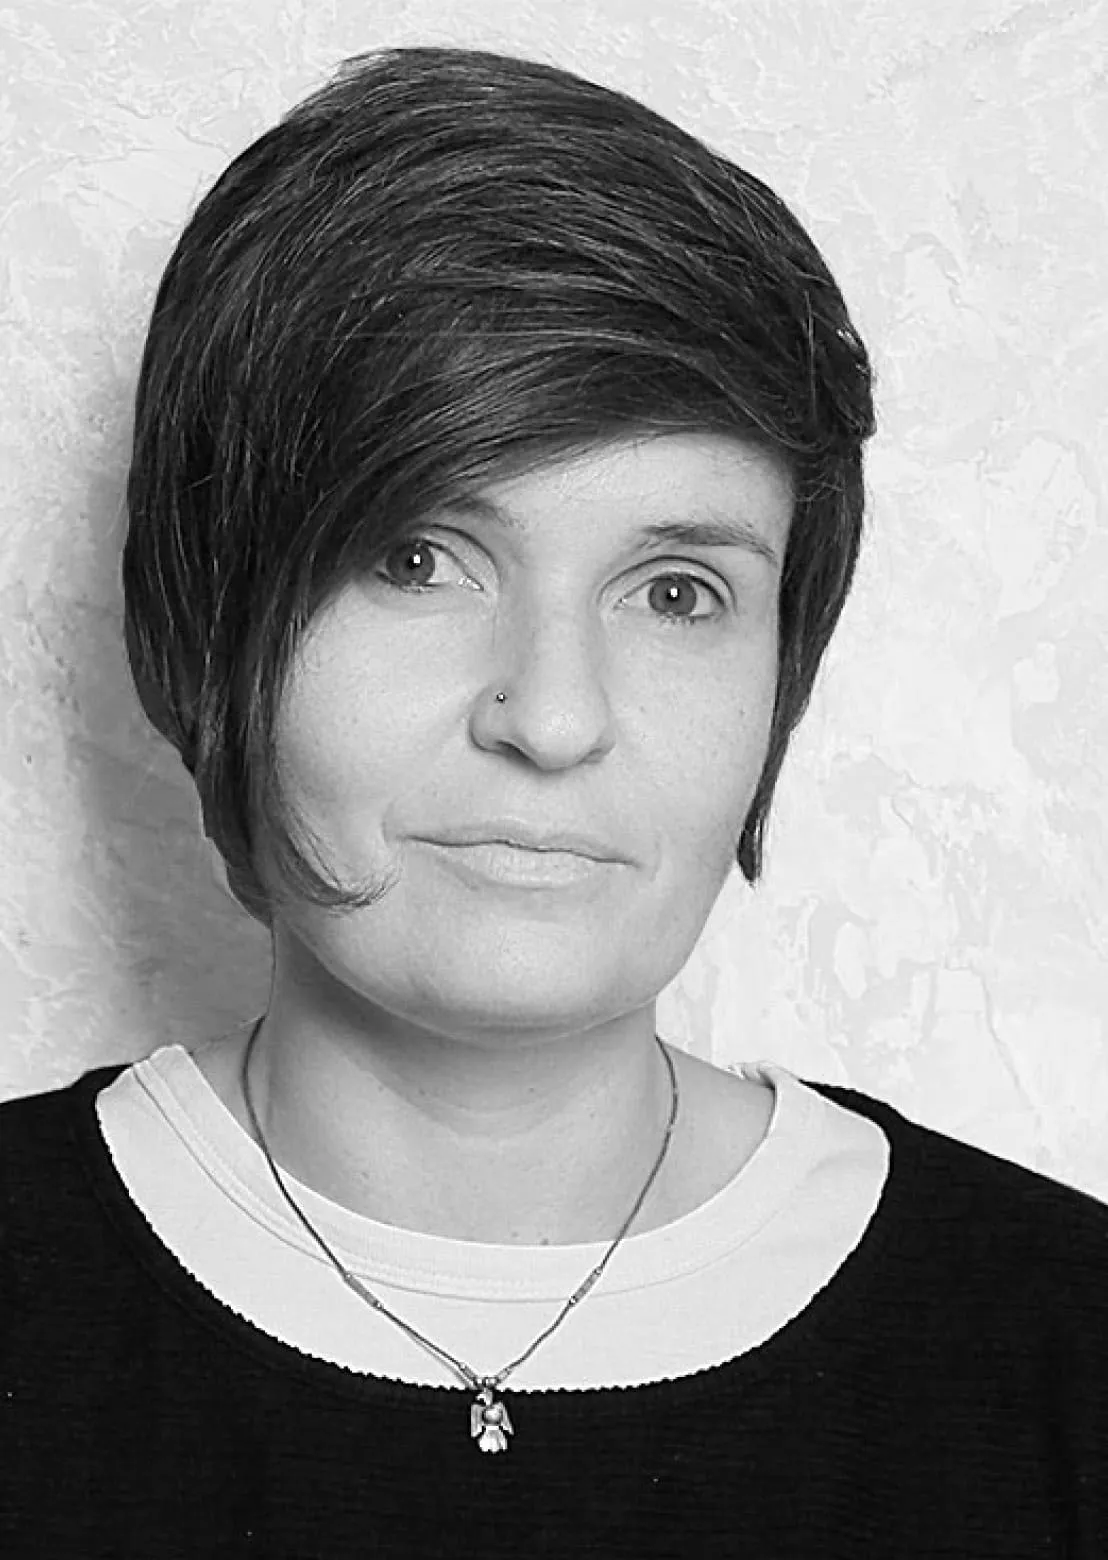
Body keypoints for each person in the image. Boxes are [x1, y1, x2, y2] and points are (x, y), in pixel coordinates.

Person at [1, 43, 1106, 1557]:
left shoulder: (1068, 1353)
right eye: (415, 559)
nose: (555, 716)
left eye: (676, 590)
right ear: (208, 618)